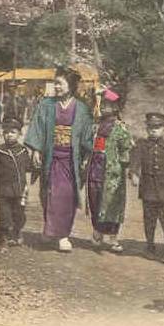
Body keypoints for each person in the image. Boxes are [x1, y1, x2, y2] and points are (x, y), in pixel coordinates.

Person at [24, 67, 93, 252]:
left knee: (67, 197)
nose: (56, 86)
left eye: (59, 83)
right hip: (51, 158)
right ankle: (50, 229)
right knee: (49, 194)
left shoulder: (82, 108)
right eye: (55, 83)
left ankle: (63, 235)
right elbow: (37, 128)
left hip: (71, 160)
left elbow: (87, 136)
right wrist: (36, 150)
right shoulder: (46, 105)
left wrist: (87, 156)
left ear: (70, 86)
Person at [129, 112, 164, 266]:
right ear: (147, 128)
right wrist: (134, 173)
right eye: (151, 127)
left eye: (158, 127)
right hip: (148, 189)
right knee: (149, 220)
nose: (154, 130)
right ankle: (150, 246)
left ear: (163, 129)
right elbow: (135, 159)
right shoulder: (141, 145)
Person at [86, 89, 133, 252]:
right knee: (95, 199)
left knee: (113, 202)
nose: (104, 107)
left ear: (115, 107)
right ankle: (97, 232)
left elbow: (126, 150)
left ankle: (114, 237)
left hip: (113, 171)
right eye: (102, 104)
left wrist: (125, 168)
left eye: (108, 104)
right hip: (95, 168)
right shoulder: (96, 126)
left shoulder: (121, 128)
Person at [0, 119, 32, 252]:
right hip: (3, 190)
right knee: (4, 215)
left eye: (13, 132)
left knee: (19, 214)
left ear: (19, 134)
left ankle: (17, 231)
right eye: (6, 132)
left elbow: (28, 167)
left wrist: (37, 164)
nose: (9, 135)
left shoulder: (23, 151)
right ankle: (3, 238)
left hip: (19, 190)